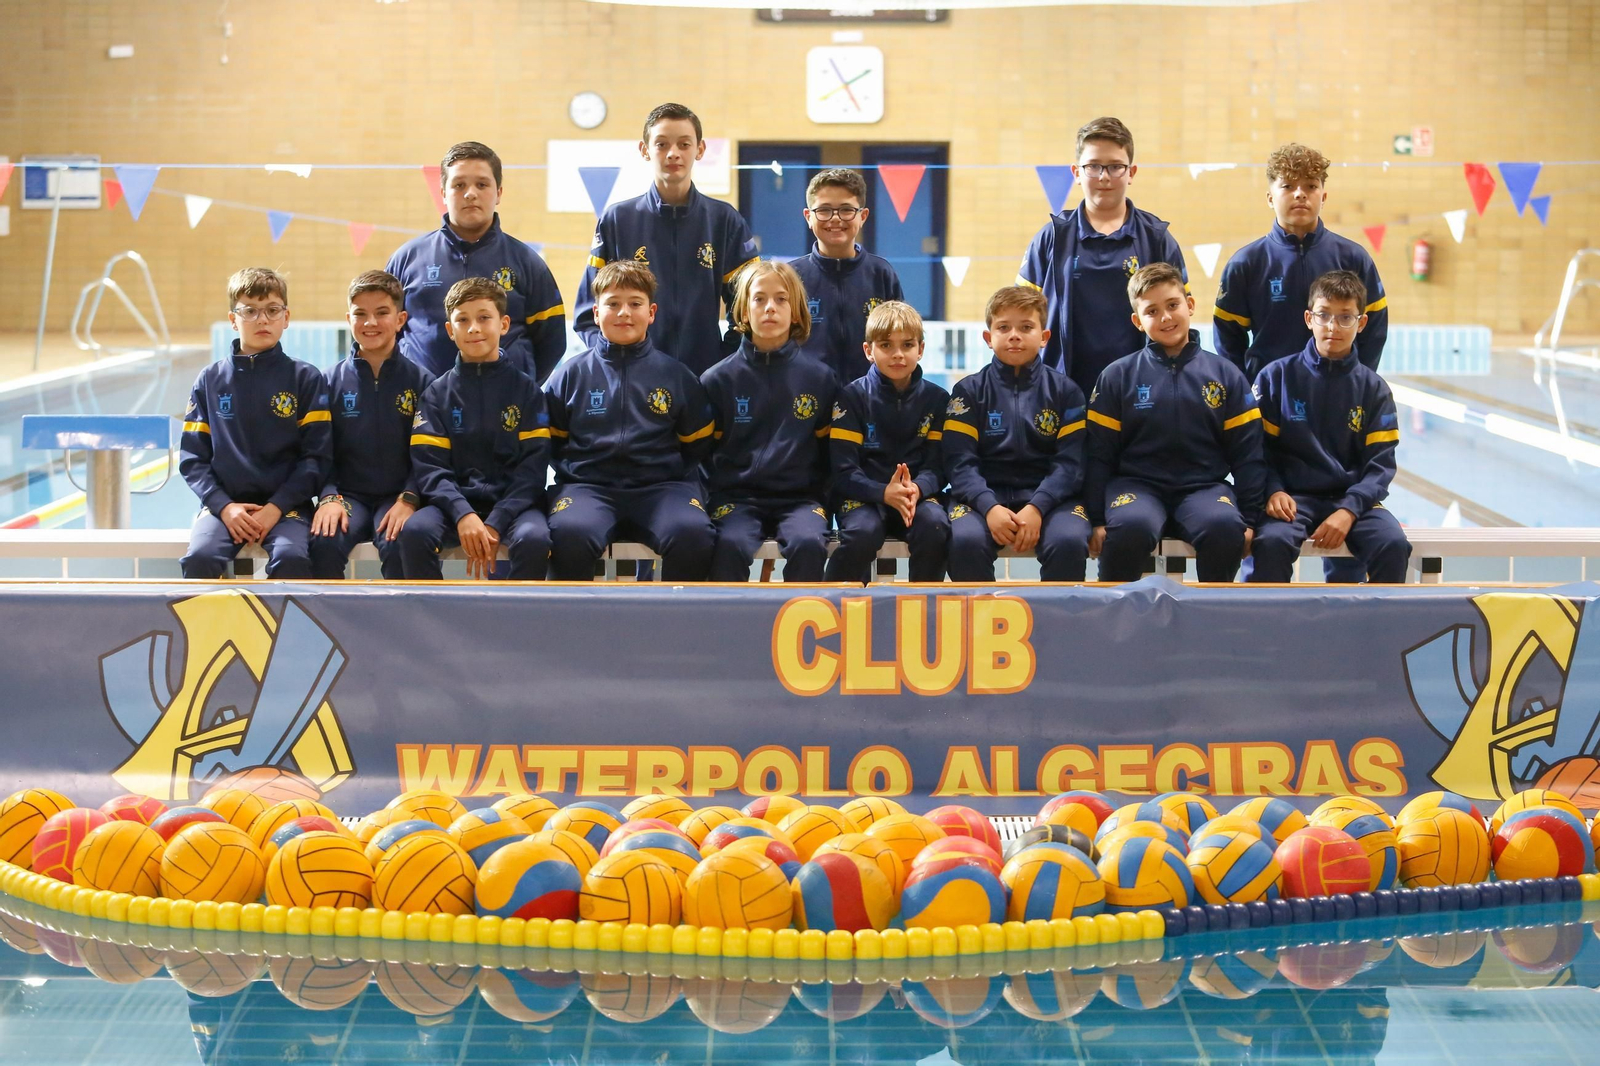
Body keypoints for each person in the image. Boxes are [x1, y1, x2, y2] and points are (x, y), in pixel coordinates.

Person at [1087, 263, 1265, 583]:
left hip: (1203, 487)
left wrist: (1250, 520)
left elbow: (1248, 454)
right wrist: (1097, 518)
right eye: (1152, 311)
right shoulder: (1117, 376)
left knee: (1225, 528)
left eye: (1172, 305)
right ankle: (1116, 623)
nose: (1166, 317)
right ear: (1137, 322)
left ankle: (1210, 621)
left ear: (1190, 305)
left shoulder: (1225, 376)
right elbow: (1099, 454)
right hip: (1136, 487)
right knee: (1130, 528)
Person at [543, 262, 717, 581]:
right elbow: (552, 443)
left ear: (651, 312)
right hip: (587, 488)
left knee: (693, 533)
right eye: (613, 303)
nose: (624, 312)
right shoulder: (569, 375)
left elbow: (698, 444)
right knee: (568, 533)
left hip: (662, 489)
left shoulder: (676, 376)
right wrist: (580, 473)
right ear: (596, 312)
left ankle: (674, 628)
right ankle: (571, 629)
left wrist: (665, 472)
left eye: (635, 304)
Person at [1249, 270, 1411, 583]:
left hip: (1353, 502)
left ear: (1361, 323)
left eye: (1345, 317)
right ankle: (1269, 630)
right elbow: (1256, 451)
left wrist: (1349, 509)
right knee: (1270, 543)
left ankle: (1377, 631)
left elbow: (1380, 467)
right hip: (1292, 499)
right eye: (1324, 315)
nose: (1333, 327)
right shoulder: (1275, 378)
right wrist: (1273, 489)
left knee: (1392, 544)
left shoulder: (1374, 389)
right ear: (1309, 318)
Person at [572, 103, 759, 373]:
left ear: (700, 149)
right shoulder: (617, 220)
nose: (673, 153)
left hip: (703, 376)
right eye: (661, 144)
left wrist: (727, 359)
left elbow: (748, 305)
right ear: (645, 150)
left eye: (684, 144)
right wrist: (613, 358)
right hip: (633, 375)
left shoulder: (724, 221)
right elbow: (587, 312)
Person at [1016, 116, 1187, 398]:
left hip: (1142, 392)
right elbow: (1019, 317)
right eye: (1093, 166)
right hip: (1061, 393)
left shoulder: (1157, 240)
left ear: (1131, 172)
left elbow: (1178, 321)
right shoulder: (1051, 239)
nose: (1104, 176)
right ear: (1076, 172)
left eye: (1115, 167)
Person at [179, 267, 329, 579]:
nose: (262, 320)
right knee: (200, 558)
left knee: (292, 558)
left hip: (288, 508)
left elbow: (316, 458)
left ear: (286, 318)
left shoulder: (305, 379)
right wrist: (224, 506)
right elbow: (193, 459)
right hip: (226, 508)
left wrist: (276, 506)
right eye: (250, 311)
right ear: (233, 320)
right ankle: (215, 630)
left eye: (272, 310)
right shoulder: (210, 380)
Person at [398, 278, 551, 580]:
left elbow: (532, 470)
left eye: (484, 318)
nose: (474, 328)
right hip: (451, 505)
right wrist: (463, 513)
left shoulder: (527, 392)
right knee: (415, 532)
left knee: (535, 539)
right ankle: (432, 625)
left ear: (504, 324)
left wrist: (497, 520)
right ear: (449, 330)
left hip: (513, 507)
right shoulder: (436, 394)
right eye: (463, 320)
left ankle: (519, 623)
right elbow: (430, 468)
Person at [700, 260, 837, 581]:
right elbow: (702, 457)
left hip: (801, 501)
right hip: (736, 499)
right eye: (759, 299)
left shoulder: (820, 378)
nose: (770, 308)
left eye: (781, 299)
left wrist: (823, 500)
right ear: (744, 312)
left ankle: (801, 627)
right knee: (729, 543)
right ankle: (729, 631)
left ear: (797, 312)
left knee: (807, 543)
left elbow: (830, 457)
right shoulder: (717, 380)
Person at [942, 286, 1090, 582]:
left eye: (1026, 327)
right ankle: (980, 627)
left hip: (1050, 499)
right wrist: (989, 507)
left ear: (1044, 337)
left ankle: (1059, 627)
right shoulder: (968, 392)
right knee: (965, 542)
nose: (1014, 335)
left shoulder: (1066, 392)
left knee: (1068, 542)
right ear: (988, 337)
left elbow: (1071, 464)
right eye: (1004, 327)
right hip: (982, 497)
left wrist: (1038, 506)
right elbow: (959, 464)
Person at [386, 141, 566, 381]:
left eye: (482, 184)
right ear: (442, 193)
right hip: (423, 406)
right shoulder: (407, 259)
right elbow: (385, 331)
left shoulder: (527, 262)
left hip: (505, 407)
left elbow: (552, 343)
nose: (470, 193)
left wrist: (519, 387)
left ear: (499, 192)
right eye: (459, 185)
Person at [1212, 143, 1389, 377]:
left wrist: (1358, 381)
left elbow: (1374, 329)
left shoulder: (1353, 258)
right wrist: (1245, 389)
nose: (1299, 193)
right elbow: (1227, 338)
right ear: (1270, 198)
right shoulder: (1246, 263)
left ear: (1323, 196)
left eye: (1311, 186)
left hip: (1338, 391)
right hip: (1269, 397)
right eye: (1287, 186)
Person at [308, 270, 433, 579]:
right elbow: (316, 450)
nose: (370, 323)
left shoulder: (423, 382)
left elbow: (430, 455)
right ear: (348, 318)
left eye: (381, 313)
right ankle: (331, 627)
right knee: (324, 539)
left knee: (400, 541)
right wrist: (328, 497)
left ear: (401, 318)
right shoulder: (327, 382)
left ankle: (402, 627)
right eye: (360, 314)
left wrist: (410, 498)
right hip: (348, 495)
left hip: (399, 495)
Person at [825, 300, 949, 583]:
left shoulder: (938, 400)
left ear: (921, 349)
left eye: (907, 345)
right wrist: (883, 493)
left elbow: (939, 467)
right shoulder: (851, 398)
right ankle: (833, 610)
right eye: (886, 345)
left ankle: (925, 612)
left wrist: (917, 489)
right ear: (869, 351)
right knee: (862, 533)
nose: (897, 355)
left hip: (914, 497)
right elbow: (843, 471)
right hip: (863, 497)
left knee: (936, 526)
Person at [790, 167, 905, 383]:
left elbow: (902, 337)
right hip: (808, 396)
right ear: (808, 216)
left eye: (846, 210)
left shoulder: (881, 274)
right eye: (824, 210)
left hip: (868, 397)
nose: (835, 219)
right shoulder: (791, 277)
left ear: (862, 216)